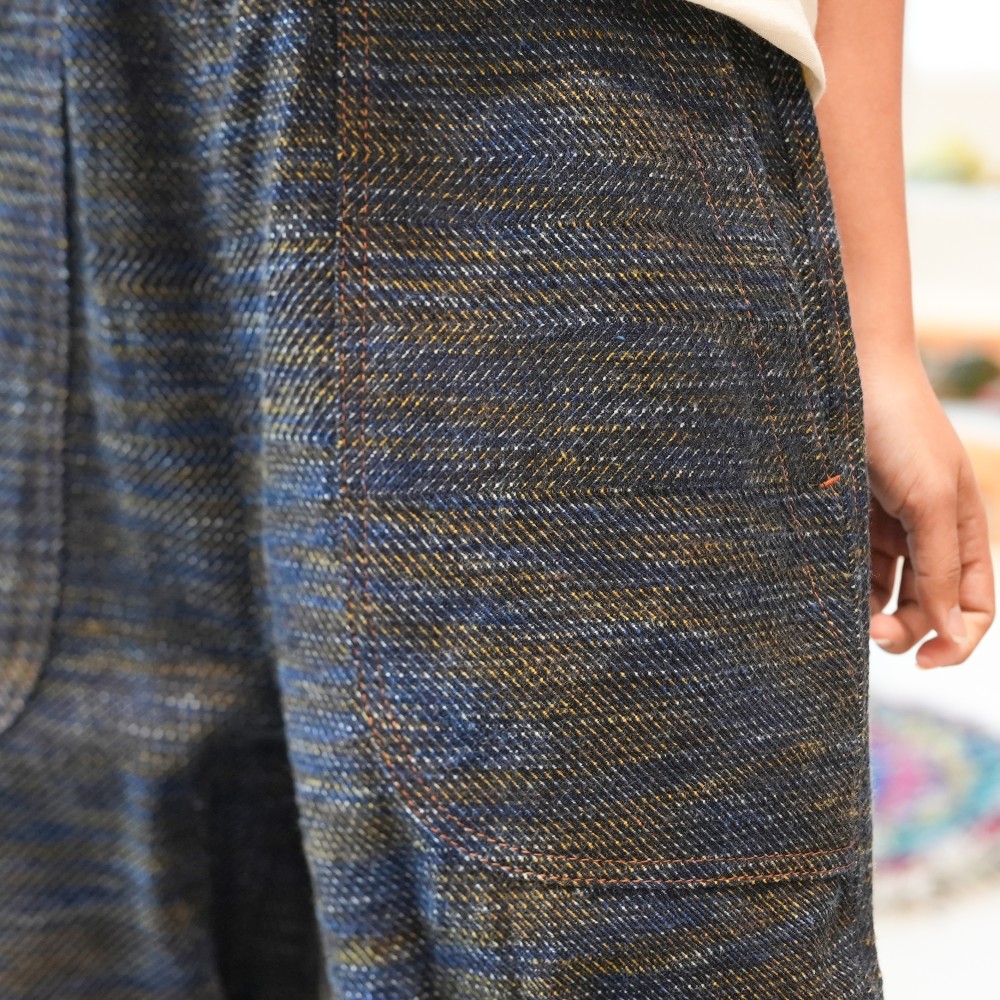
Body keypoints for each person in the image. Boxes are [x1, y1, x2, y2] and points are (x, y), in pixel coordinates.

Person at [0, 0, 993, 997]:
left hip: (544, 101)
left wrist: (873, 323)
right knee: (83, 903)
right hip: (61, 105)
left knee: (621, 931)